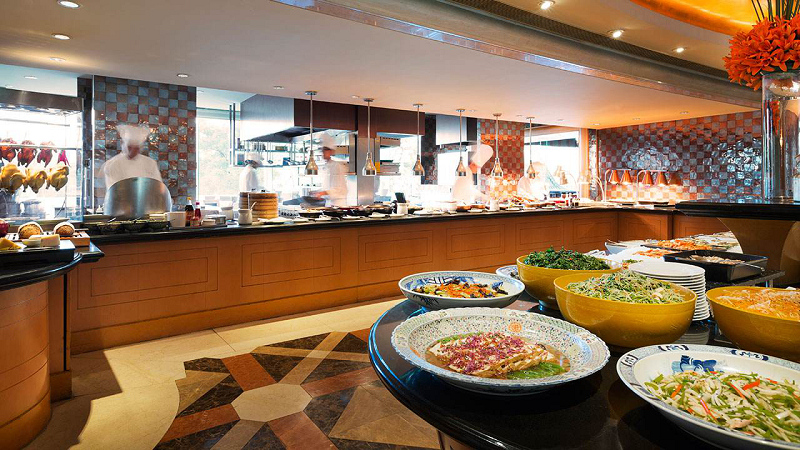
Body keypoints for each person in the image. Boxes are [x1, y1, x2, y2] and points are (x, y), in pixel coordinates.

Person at [102, 124, 162, 189]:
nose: (133, 151)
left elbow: (157, 186)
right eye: (130, 147)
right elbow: (113, 190)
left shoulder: (150, 163)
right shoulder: (113, 164)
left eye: (136, 148)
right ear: (124, 145)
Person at [314, 134, 347, 207]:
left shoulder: (337, 166)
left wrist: (322, 193)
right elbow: (327, 187)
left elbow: (339, 189)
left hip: (338, 205)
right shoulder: (326, 166)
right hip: (328, 204)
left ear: (332, 151)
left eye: (325, 150)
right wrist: (317, 192)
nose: (323, 152)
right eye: (322, 150)